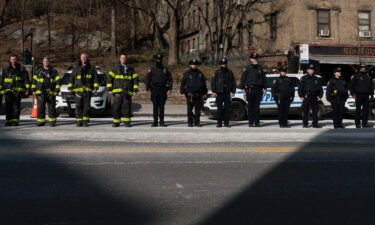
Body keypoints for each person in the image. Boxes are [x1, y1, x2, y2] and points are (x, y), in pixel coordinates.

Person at [107, 53, 139, 127]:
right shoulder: (115, 68)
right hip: (117, 92)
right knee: (116, 108)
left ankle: (127, 122)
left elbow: (136, 79)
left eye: (124, 58)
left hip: (127, 92)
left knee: (127, 108)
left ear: (126, 59)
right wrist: (109, 89)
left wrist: (135, 88)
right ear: (119, 59)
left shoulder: (130, 69)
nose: (123, 59)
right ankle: (116, 122)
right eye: (122, 58)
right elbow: (109, 78)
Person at [68, 53, 99, 127]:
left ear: (87, 58)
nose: (84, 58)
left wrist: (95, 88)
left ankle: (85, 121)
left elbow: (96, 79)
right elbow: (71, 78)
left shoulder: (91, 68)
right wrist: (70, 88)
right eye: (82, 57)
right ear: (80, 58)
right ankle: (79, 121)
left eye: (85, 57)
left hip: (87, 91)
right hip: (78, 92)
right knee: (78, 106)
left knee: (86, 107)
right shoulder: (76, 68)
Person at [0, 54, 30, 126]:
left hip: (18, 91)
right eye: (12, 59)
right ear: (10, 60)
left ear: (17, 60)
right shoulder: (5, 69)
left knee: (16, 107)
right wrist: (1, 90)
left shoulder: (21, 69)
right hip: (8, 91)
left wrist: (28, 89)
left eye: (15, 59)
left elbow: (26, 79)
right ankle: (8, 121)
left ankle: (15, 121)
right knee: (8, 107)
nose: (14, 60)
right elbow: (1, 80)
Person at [32, 57, 61, 127]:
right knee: (40, 108)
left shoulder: (54, 71)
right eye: (45, 61)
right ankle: (41, 121)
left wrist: (56, 90)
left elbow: (58, 81)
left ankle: (52, 121)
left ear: (49, 62)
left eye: (47, 61)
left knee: (51, 108)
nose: (46, 62)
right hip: (40, 92)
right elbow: (34, 81)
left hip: (51, 92)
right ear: (43, 62)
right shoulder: (38, 71)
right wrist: (33, 90)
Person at [146, 54, 173, 127]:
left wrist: (170, 88)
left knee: (161, 107)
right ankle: (155, 122)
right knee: (155, 107)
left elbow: (170, 79)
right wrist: (147, 89)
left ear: (161, 60)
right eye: (157, 60)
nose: (158, 61)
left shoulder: (165, 69)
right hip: (154, 90)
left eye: (160, 60)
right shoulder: (151, 69)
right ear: (155, 60)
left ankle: (161, 122)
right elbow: (148, 79)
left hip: (163, 90)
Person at [240, 53, 267, 127]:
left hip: (258, 90)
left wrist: (265, 88)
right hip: (250, 90)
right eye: (253, 59)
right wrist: (242, 87)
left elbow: (264, 79)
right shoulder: (247, 68)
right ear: (250, 59)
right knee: (250, 107)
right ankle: (251, 122)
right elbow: (243, 78)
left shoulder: (260, 68)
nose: (255, 60)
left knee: (257, 107)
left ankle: (257, 122)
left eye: (256, 59)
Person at [180, 59, 208, 127]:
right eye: (193, 64)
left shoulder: (200, 74)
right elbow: (183, 83)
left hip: (199, 94)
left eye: (195, 65)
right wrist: (182, 92)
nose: (194, 66)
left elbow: (204, 84)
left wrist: (205, 92)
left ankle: (197, 122)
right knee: (190, 110)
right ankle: (190, 122)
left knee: (198, 110)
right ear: (190, 65)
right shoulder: (186, 73)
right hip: (190, 94)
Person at [211, 58, 236, 128]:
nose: (223, 65)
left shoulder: (230, 72)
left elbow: (233, 82)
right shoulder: (217, 72)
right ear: (220, 64)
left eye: (224, 64)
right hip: (219, 92)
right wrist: (214, 91)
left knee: (227, 108)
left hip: (227, 92)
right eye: (222, 64)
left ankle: (226, 123)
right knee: (219, 108)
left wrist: (233, 91)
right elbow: (213, 82)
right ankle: (219, 123)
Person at [298, 64, 324, 128]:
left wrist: (320, 96)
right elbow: (300, 88)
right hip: (306, 96)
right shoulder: (304, 78)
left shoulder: (316, 79)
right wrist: (301, 96)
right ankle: (305, 124)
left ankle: (315, 124)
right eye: (310, 69)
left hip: (314, 96)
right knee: (305, 111)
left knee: (315, 111)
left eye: (312, 69)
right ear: (307, 70)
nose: (312, 71)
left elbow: (320, 89)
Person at [350, 64, 374, 128]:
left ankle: (365, 123)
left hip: (366, 95)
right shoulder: (356, 76)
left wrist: (371, 94)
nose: (364, 69)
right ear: (359, 68)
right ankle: (357, 123)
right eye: (362, 67)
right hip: (359, 94)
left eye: (364, 68)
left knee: (366, 110)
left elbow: (371, 86)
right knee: (358, 110)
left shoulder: (367, 75)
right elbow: (352, 85)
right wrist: (352, 94)